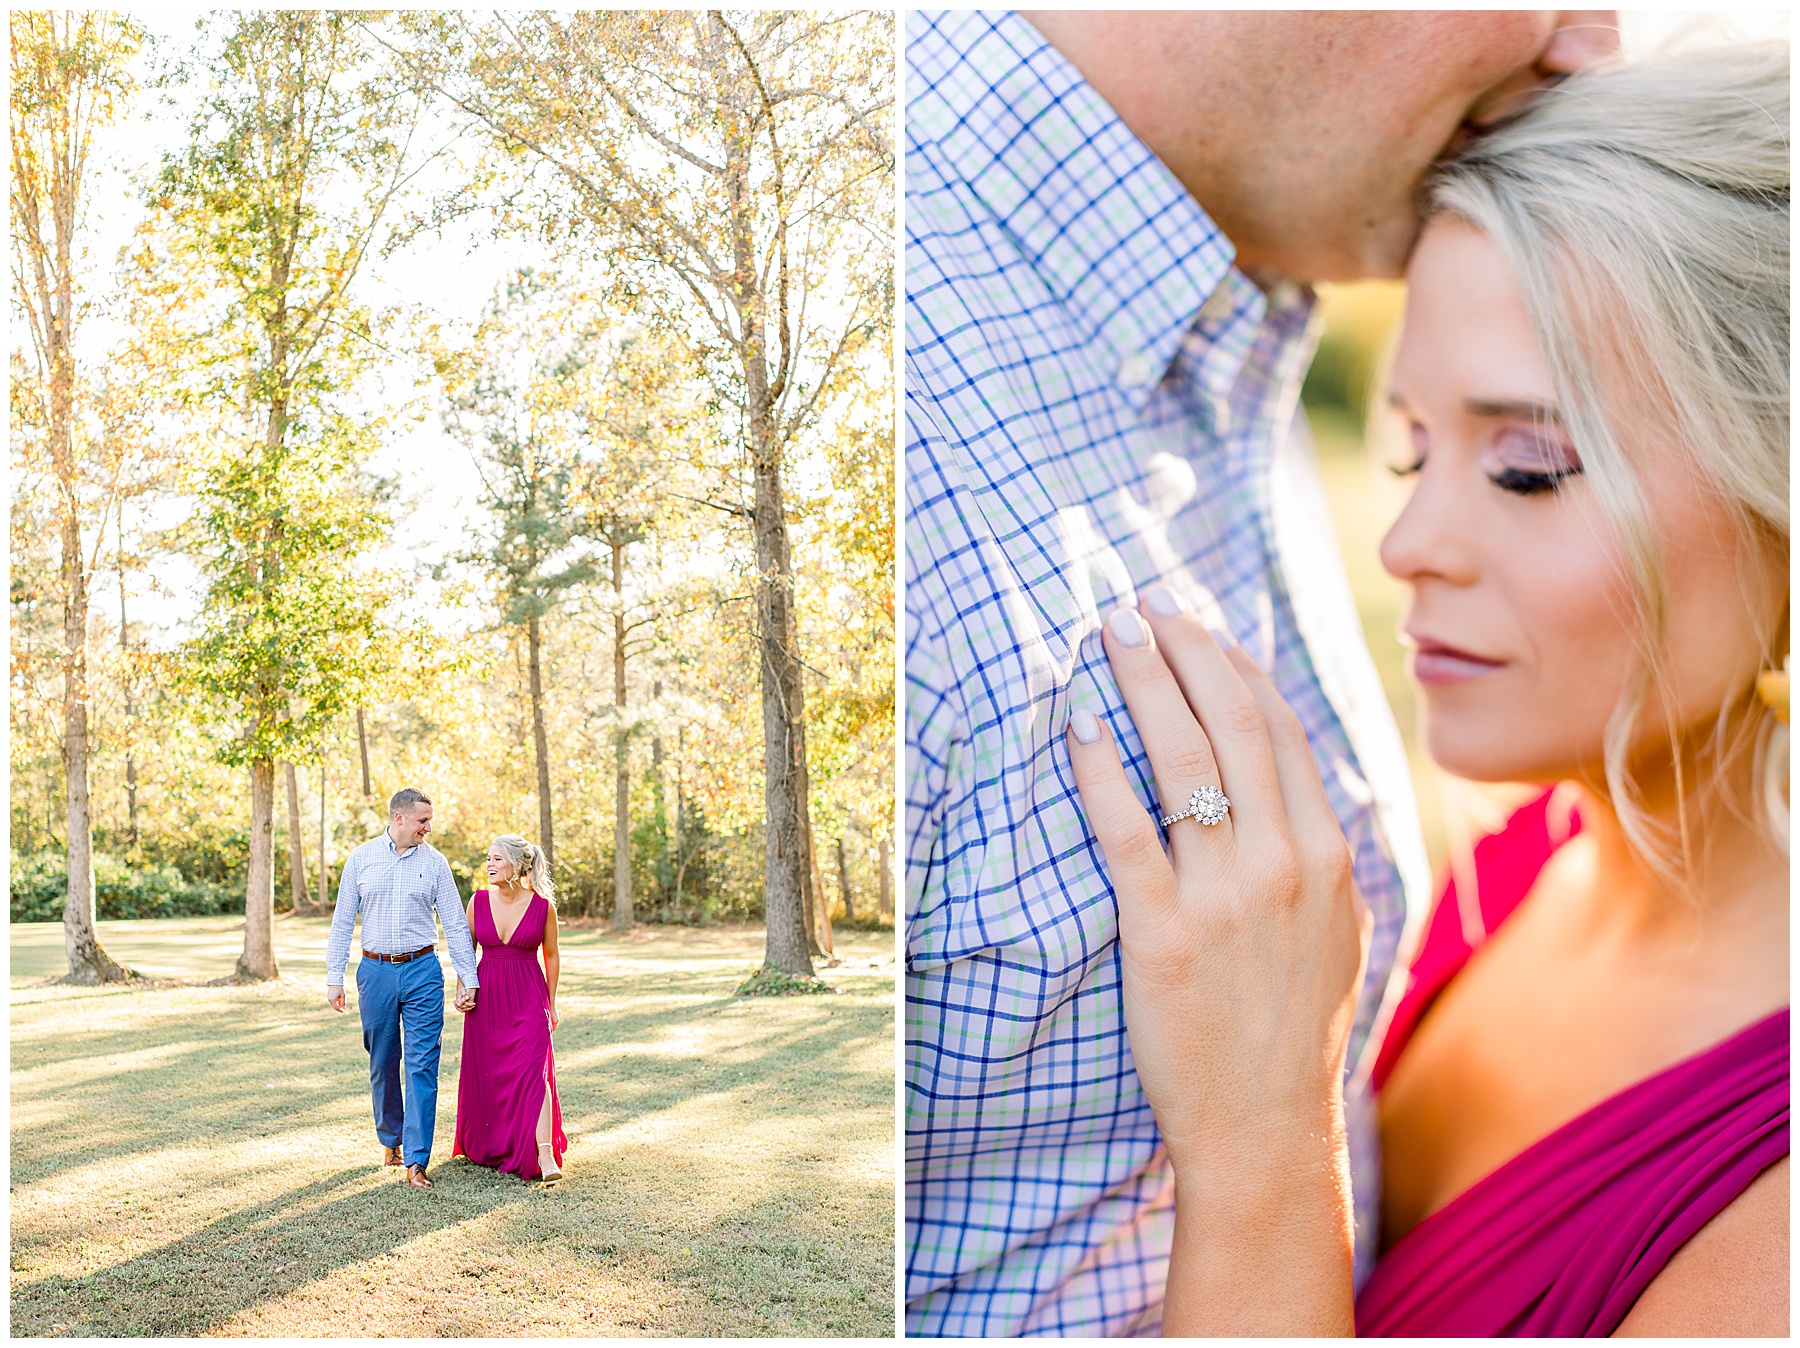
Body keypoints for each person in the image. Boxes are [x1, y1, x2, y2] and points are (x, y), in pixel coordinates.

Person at [903, 9, 1617, 1335]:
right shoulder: (907, 423)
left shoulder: (1228, 316)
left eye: (1525, 465)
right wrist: (1263, 1149)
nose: (1596, 41)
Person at [1065, 41, 1787, 1336]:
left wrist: (1266, 1148)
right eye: (1410, 451)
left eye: (1528, 465)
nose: (1409, 548)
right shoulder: (1511, 869)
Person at [326, 787, 481, 1189]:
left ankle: (416, 1159)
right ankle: (390, 1139)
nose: (428, 828)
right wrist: (333, 977)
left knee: (422, 1064)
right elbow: (343, 922)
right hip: (375, 972)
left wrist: (470, 979)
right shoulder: (361, 858)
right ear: (399, 819)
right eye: (422, 821)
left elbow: (456, 925)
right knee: (382, 1060)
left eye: (429, 821)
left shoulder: (436, 864)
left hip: (422, 972)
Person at [453, 834, 568, 1183]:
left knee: (534, 1073)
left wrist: (551, 1003)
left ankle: (544, 1153)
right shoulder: (478, 901)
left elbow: (551, 956)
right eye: (488, 858)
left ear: (518, 865)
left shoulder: (543, 906)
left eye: (497, 859)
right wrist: (462, 988)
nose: (489, 865)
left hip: (528, 997)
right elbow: (465, 952)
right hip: (486, 999)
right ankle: (495, 1144)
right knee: (490, 1073)